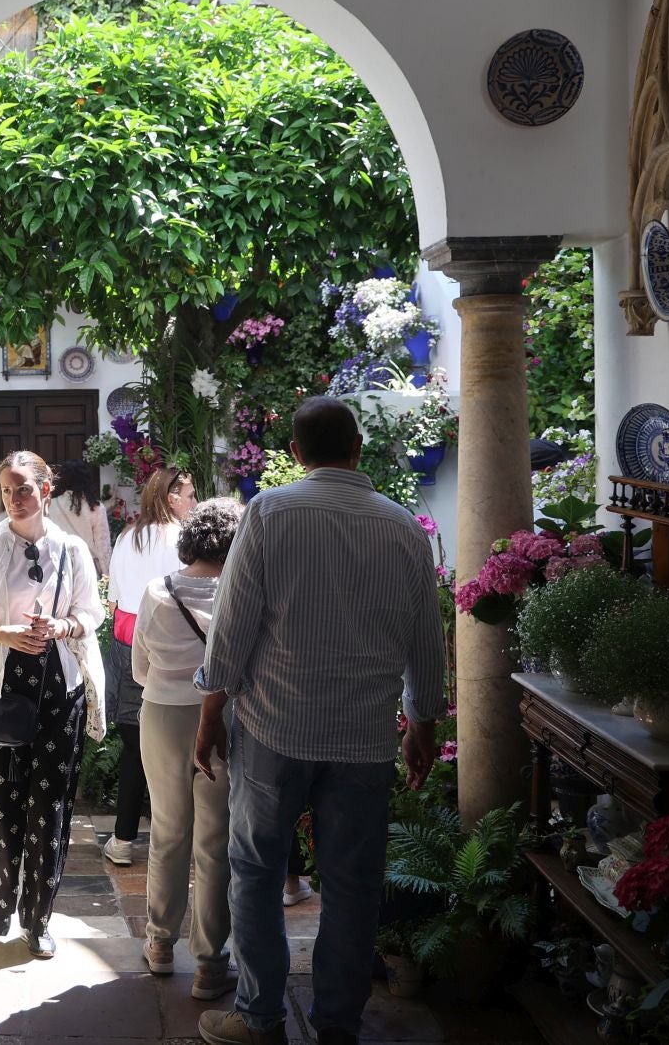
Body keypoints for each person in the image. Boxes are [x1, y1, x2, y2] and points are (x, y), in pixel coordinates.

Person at [194, 398, 446, 1045]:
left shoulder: (271, 513)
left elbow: (231, 631)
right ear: (358, 447)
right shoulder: (404, 529)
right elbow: (426, 637)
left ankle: (261, 1019)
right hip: (364, 739)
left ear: (298, 452)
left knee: (254, 870)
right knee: (353, 883)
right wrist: (423, 721)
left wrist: (210, 712)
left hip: (275, 730)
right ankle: (338, 1025)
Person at [0, 450, 106, 959]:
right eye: (6, 490)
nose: (14, 499)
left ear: (46, 490)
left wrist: (63, 627)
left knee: (51, 806)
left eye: (23, 488)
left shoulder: (71, 549)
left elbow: (93, 611)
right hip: (1, 684)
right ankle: (1, 896)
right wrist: (5, 633)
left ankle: (38, 917)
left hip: (57, 687)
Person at [132, 497, 243, 1000]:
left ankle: (158, 945)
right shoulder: (240, 595)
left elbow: (139, 667)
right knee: (214, 842)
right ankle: (209, 965)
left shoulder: (157, 591)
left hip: (160, 715)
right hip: (220, 720)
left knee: (168, 832)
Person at [102, 466, 198, 865]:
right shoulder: (187, 540)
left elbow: (114, 602)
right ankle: (187, 843)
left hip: (129, 647)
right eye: (190, 495)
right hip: (178, 650)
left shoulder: (128, 537)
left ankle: (123, 840)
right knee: (187, 747)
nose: (194, 503)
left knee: (135, 748)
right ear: (173, 498)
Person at [46, 459, 112, 572]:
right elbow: (103, 546)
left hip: (58, 566)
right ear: (86, 480)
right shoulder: (95, 508)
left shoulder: (50, 505)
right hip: (87, 567)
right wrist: (107, 576)